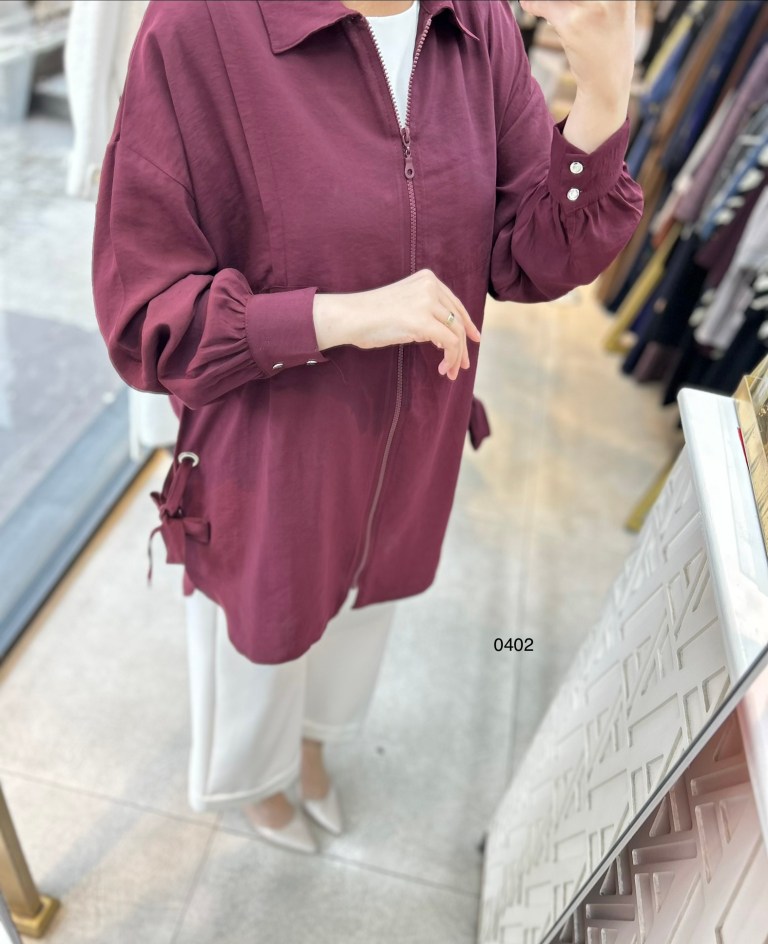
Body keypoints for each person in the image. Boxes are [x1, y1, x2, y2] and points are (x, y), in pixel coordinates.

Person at [91, 0, 644, 854]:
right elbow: (146, 316)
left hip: (414, 440)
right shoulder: (201, 26)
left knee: (361, 615)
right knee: (265, 630)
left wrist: (603, 97)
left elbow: (529, 256)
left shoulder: (474, 22)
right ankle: (256, 781)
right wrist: (340, 317)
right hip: (273, 453)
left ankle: (315, 746)